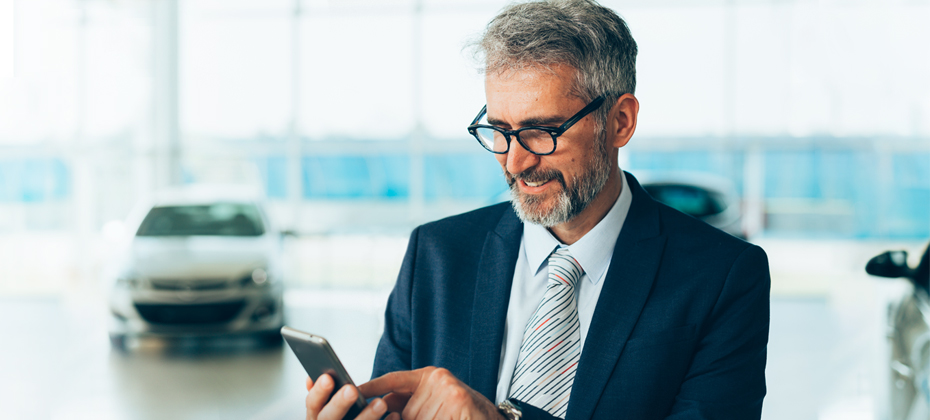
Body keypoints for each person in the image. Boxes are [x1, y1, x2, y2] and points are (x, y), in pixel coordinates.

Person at [304, 0, 771, 419]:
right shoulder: (437, 255)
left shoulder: (722, 277)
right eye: (500, 131)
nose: (515, 161)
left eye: (541, 131)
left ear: (620, 122)